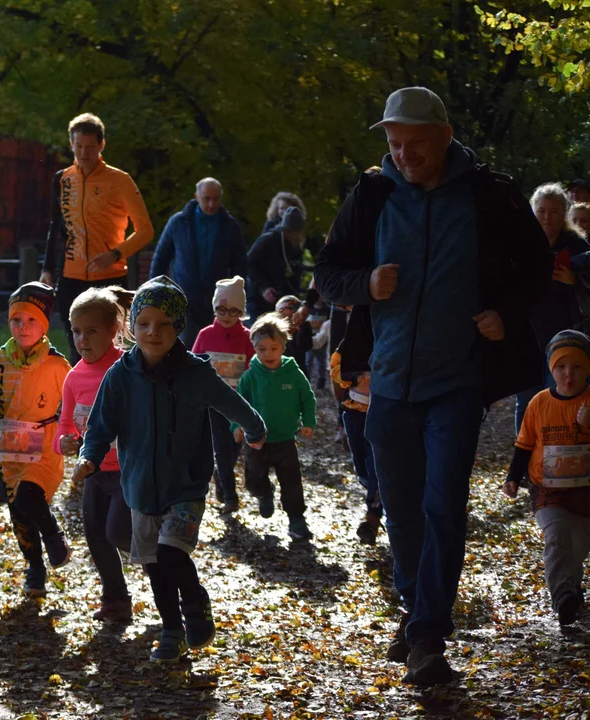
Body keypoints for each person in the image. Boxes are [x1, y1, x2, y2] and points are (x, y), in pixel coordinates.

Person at [314, 86, 551, 686]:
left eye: (415, 143)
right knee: (402, 509)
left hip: (458, 381)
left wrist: (505, 310)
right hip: (386, 381)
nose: (404, 155)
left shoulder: (488, 195)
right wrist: (366, 284)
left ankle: (426, 634)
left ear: (444, 137)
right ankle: (416, 609)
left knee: (444, 504)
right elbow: (328, 276)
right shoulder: (371, 195)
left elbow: (537, 266)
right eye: (395, 144)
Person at [73, 276, 266, 663]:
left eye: (163, 324)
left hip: (185, 487)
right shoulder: (121, 376)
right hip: (140, 489)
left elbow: (231, 403)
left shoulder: (195, 373)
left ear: (178, 327)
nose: (153, 332)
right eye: (144, 323)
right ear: (131, 327)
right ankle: (171, 630)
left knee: (171, 554)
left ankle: (196, 604)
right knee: (155, 568)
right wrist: (89, 457)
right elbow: (100, 425)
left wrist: (255, 426)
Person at [0, 282, 73, 597]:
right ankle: (35, 568)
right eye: (16, 320)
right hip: (9, 447)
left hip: (45, 444)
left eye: (31, 320)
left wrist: (77, 433)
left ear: (45, 324)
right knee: (19, 515)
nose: (23, 326)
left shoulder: (57, 364)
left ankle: (53, 536)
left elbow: (77, 401)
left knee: (29, 497)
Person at [39, 114, 155, 362]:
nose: (83, 152)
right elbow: (56, 228)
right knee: (77, 345)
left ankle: (114, 396)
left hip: (110, 277)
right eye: (78, 146)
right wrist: (47, 269)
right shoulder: (62, 179)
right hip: (70, 276)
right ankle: (81, 397)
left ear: (101, 145)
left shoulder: (119, 180)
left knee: (112, 347)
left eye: (90, 147)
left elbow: (146, 230)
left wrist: (115, 254)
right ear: (71, 144)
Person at [55, 286, 134, 621]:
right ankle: (116, 600)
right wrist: (66, 443)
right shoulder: (73, 378)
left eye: (91, 331)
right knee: (95, 535)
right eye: (76, 331)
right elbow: (64, 427)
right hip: (94, 472)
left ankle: (163, 559)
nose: (82, 340)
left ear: (113, 331)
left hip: (129, 472)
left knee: (118, 532)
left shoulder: (128, 368)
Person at [503, 330, 590, 627]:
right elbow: (524, 444)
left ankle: (572, 584)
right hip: (547, 490)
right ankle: (563, 595)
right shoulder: (539, 403)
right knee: (556, 537)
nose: (569, 375)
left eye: (577, 367)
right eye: (561, 367)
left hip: (585, 490)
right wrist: (513, 477)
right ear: (551, 369)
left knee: (578, 544)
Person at [232, 313, 317, 540]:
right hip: (256, 441)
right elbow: (238, 404)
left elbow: (307, 398)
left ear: (283, 346)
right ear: (254, 348)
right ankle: (264, 493)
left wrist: (308, 422)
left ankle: (297, 520)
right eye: (261, 349)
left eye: (273, 348)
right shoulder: (250, 377)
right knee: (253, 481)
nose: (268, 354)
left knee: (292, 482)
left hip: (285, 440)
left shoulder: (294, 373)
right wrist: (236, 427)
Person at [516, 184, 590, 434]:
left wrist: (575, 281)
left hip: (565, 334)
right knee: (526, 401)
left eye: (555, 212)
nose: (548, 217)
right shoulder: (519, 242)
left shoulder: (577, 246)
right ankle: (525, 464)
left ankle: (561, 460)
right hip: (526, 335)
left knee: (561, 397)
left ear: (564, 213)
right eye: (542, 211)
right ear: (533, 211)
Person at [149, 178, 249, 347]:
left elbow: (240, 264)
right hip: (183, 298)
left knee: (216, 347)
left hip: (218, 302)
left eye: (216, 199)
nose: (211, 204)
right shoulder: (178, 223)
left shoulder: (230, 226)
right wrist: (154, 293)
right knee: (185, 345)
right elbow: (161, 259)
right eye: (206, 198)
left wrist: (235, 296)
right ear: (196, 196)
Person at [192, 277, 253, 512]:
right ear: (214, 307)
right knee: (220, 448)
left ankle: (220, 475)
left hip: (238, 402)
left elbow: (253, 367)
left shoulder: (247, 336)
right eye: (221, 309)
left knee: (233, 449)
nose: (227, 315)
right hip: (212, 404)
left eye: (234, 311)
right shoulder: (205, 334)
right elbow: (194, 362)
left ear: (242, 311)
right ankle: (231, 497)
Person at [330, 349, 383, 544]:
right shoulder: (352, 342)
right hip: (354, 413)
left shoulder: (391, 335)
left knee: (375, 463)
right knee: (362, 464)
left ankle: (373, 517)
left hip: (383, 412)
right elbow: (335, 368)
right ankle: (373, 489)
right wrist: (353, 376)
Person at [247, 207, 307, 318]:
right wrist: (263, 287)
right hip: (259, 300)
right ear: (291, 231)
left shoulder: (291, 246)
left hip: (277, 300)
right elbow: (249, 264)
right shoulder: (267, 241)